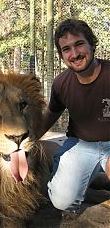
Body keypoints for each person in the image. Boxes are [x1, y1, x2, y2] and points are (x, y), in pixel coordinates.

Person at [40, 19, 110, 216]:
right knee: (63, 201)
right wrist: (27, 140)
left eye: (79, 44)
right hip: (81, 144)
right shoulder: (61, 83)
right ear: (62, 55)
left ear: (92, 44)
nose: (75, 54)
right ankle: (80, 171)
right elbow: (50, 115)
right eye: (66, 49)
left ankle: (95, 176)